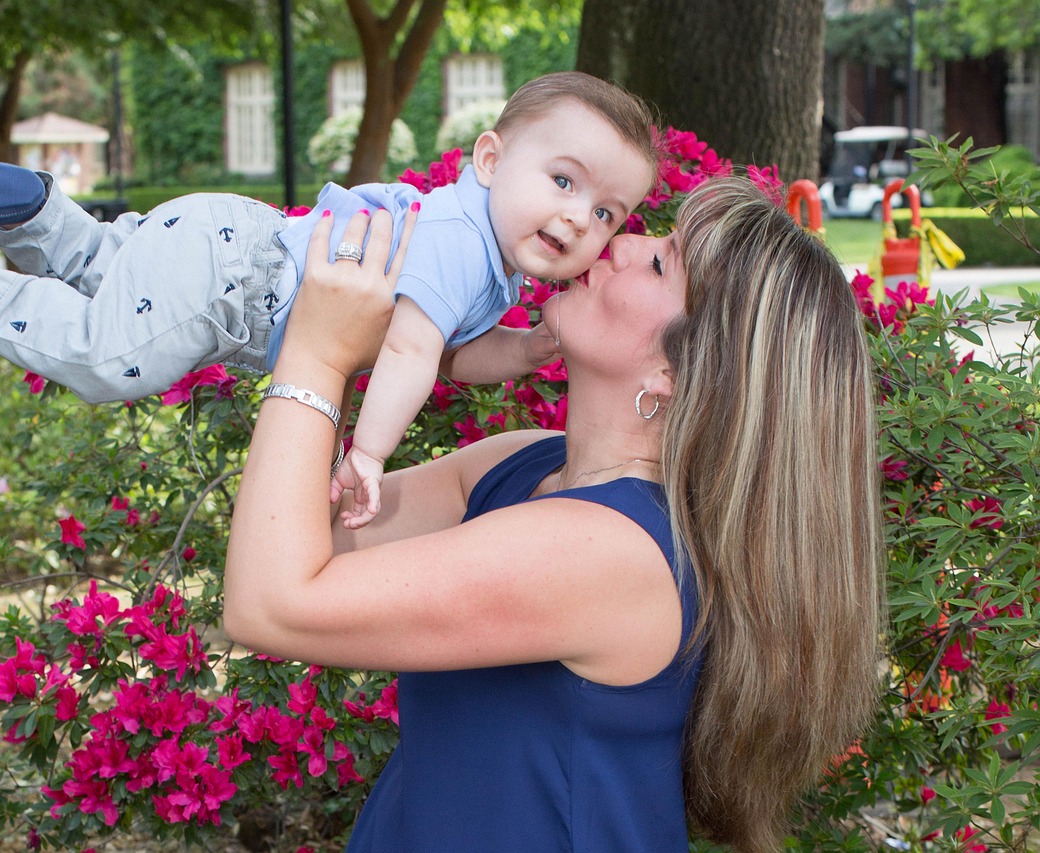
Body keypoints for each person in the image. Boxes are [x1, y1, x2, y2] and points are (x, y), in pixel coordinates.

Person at [223, 177, 885, 852]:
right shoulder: (523, 466)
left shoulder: (610, 552)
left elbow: (269, 603)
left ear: (678, 376)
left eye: (660, 261)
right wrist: (410, 327)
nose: (621, 242)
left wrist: (320, 351)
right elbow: (289, 544)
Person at [0, 72, 656, 527]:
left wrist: (521, 349)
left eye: (605, 214)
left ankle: (39, 216)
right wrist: (366, 452)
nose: (575, 217)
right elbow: (412, 349)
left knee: (105, 271)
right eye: (563, 180)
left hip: (230, 238)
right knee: (109, 362)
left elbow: (452, 355)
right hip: (239, 286)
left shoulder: (480, 258)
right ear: (489, 159)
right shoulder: (461, 243)